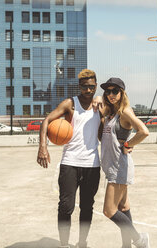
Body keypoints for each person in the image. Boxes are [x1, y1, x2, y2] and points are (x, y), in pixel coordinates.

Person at [37, 69, 101, 248]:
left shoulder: (100, 105)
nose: (88, 90)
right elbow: (46, 121)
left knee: (87, 207)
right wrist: (43, 146)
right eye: (84, 87)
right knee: (66, 207)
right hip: (70, 163)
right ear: (79, 86)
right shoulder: (70, 104)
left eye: (91, 87)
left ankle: (82, 243)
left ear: (95, 86)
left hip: (92, 164)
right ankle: (64, 244)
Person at [98, 77, 150, 248]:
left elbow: (144, 131)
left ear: (122, 93)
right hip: (112, 166)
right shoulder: (110, 112)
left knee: (109, 211)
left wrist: (128, 144)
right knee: (123, 207)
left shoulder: (125, 111)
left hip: (119, 167)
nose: (110, 94)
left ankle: (139, 240)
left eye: (115, 91)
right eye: (108, 91)